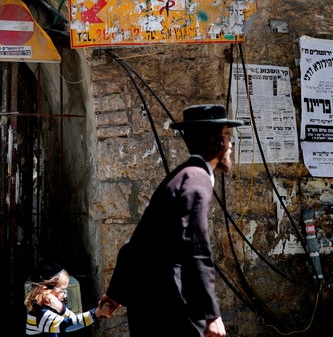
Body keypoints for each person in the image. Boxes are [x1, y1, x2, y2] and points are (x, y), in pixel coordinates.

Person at [99, 104, 241, 337]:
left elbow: (136, 243)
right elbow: (196, 248)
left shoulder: (182, 175)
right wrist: (211, 314)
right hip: (170, 303)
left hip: (146, 302)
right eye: (227, 136)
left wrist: (116, 292)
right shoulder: (196, 180)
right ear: (215, 141)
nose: (231, 144)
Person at [25, 261, 112, 335]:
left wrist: (61, 309)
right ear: (45, 290)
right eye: (62, 290)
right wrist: (96, 313)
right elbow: (69, 325)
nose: (65, 295)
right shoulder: (39, 314)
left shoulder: (50, 308)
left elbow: (73, 318)